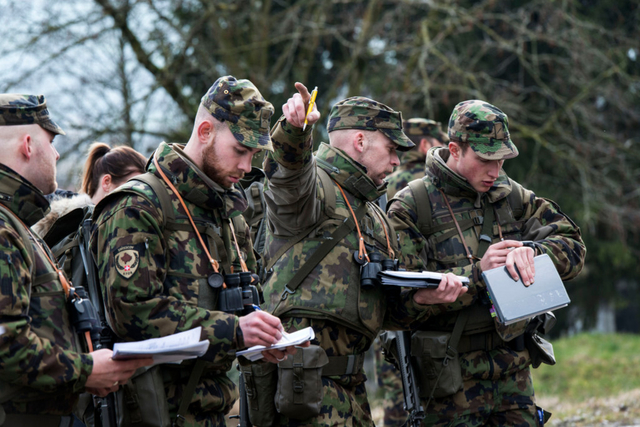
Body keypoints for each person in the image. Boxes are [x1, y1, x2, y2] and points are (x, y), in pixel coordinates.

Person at [90, 76, 300, 427]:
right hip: (152, 412)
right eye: (240, 150)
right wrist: (233, 331)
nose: (247, 167)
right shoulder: (139, 206)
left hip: (213, 410)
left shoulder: (229, 215)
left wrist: (262, 338)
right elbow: (130, 311)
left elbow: (243, 299)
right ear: (205, 132)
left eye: (253, 154)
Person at [259, 83, 468, 427]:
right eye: (390, 148)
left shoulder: (373, 214)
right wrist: (295, 132)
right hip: (300, 388)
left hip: (351, 390)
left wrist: (428, 298)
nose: (398, 161)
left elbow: (385, 308)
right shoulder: (314, 189)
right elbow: (287, 174)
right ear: (360, 142)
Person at [387, 99, 587, 426]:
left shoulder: (512, 196)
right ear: (454, 149)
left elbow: (574, 246)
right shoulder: (413, 205)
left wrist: (533, 251)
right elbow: (397, 307)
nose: (495, 171)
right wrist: (477, 275)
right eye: (484, 160)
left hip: (513, 375)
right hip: (449, 383)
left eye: (502, 160)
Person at [0, 94, 152, 427]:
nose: (55, 154)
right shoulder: (4, 229)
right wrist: (85, 370)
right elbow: (4, 340)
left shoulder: (17, 224)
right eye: (50, 142)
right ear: (28, 144)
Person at [374, 117, 449, 427]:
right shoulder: (434, 185)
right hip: (437, 302)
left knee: (398, 392)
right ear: (427, 145)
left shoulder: (384, 181)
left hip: (393, 301)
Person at [385, 118, 448, 199]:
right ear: (425, 145)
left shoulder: (385, 184)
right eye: (441, 142)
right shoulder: (439, 179)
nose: (444, 147)